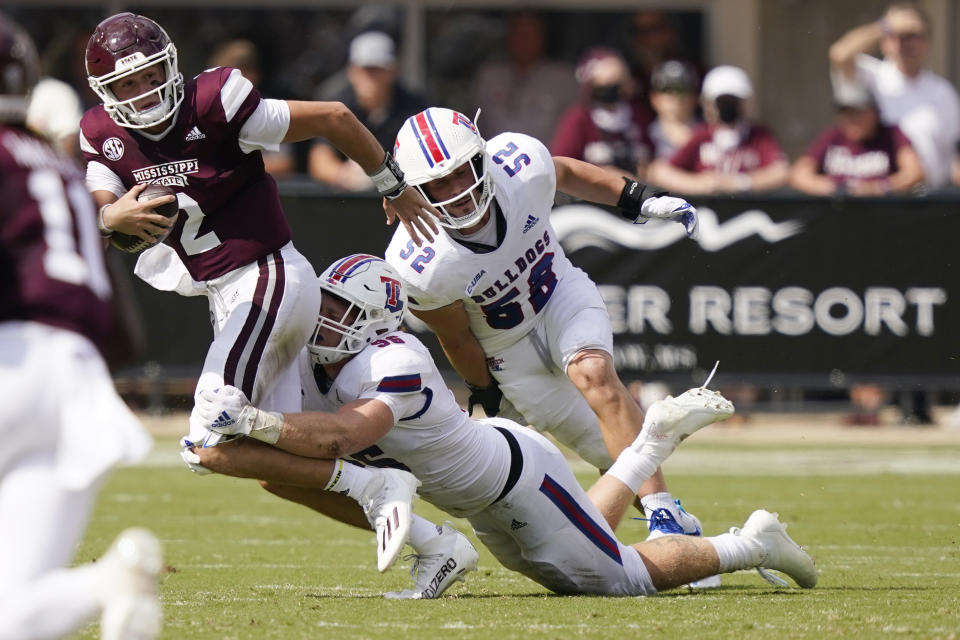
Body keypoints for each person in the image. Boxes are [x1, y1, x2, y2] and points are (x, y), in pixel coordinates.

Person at [192, 254, 818, 598]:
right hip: (489, 490)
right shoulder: (322, 355)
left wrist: (254, 419)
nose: (323, 320)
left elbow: (340, 440)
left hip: (516, 481)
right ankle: (650, 439)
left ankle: (756, 543)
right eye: (323, 305)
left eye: (340, 311)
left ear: (376, 322)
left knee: (617, 577)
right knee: (578, 550)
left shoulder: (395, 362)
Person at [78, 13, 439, 474]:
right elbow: (89, 219)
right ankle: (397, 501)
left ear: (171, 65)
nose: (146, 91)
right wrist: (110, 218)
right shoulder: (101, 133)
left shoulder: (215, 102)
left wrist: (391, 182)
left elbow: (335, 116)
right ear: (105, 90)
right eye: (129, 83)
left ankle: (415, 440)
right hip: (224, 295)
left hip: (267, 277)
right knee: (256, 458)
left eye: (151, 75)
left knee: (209, 429)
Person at [384, 107, 710, 561]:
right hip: (506, 345)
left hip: (559, 294)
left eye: (463, 172)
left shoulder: (518, 165)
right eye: (439, 183)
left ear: (481, 157)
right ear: (414, 190)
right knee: (603, 448)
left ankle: (663, 517)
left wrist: (637, 197)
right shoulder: (419, 262)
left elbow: (568, 172)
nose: (457, 190)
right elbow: (455, 336)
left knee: (594, 371)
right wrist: (483, 391)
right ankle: (681, 525)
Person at [0, 13, 162, 640]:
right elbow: (123, 332)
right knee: (14, 614)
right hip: (76, 386)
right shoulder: (62, 169)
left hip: (10, 365)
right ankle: (109, 582)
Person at [829, 2, 960, 188]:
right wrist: (884, 26)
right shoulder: (872, 76)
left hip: (930, 201)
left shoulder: (943, 91)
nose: (904, 43)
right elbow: (839, 54)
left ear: (927, 40)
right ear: (884, 42)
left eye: (911, 36)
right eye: (895, 35)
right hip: (882, 199)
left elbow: (955, 153)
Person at [308, 31, 428, 191]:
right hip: (348, 200)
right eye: (364, 69)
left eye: (378, 69)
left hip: (403, 194)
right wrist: (343, 175)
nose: (370, 76)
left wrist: (386, 174)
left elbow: (424, 154)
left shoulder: (413, 105)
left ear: (393, 71)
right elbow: (320, 157)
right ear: (351, 71)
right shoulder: (336, 105)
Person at [647, 64, 789, 195]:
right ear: (708, 103)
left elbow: (781, 172)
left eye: (733, 101)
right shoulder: (702, 134)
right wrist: (700, 184)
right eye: (721, 102)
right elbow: (660, 172)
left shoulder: (759, 135)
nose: (727, 107)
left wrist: (740, 183)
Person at [790, 83, 924, 196]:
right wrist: (834, 189)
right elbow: (799, 174)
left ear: (874, 113)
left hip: (883, 214)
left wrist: (876, 188)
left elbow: (914, 173)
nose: (850, 119)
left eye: (857, 112)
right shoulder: (833, 136)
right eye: (845, 113)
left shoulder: (892, 134)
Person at [472, 11, 579, 143]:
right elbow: (476, 124)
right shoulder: (489, 76)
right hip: (493, 159)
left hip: (550, 160)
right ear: (509, 38)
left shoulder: (562, 77)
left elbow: (576, 128)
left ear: (542, 38)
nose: (524, 42)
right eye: (519, 35)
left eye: (530, 35)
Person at [550, 47, 652, 180]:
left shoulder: (639, 116)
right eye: (607, 82)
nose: (614, 87)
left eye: (618, 80)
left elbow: (653, 159)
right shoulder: (579, 118)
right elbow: (562, 163)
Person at [207, 38, 295, 178]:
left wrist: (231, 162)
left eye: (234, 78)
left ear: (254, 75)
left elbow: (284, 164)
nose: (225, 86)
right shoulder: (203, 110)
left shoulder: (267, 109)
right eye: (220, 79)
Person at [647, 59, 702, 161]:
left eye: (682, 89)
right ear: (654, 97)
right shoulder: (645, 136)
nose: (676, 96)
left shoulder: (708, 135)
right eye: (667, 89)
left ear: (695, 97)